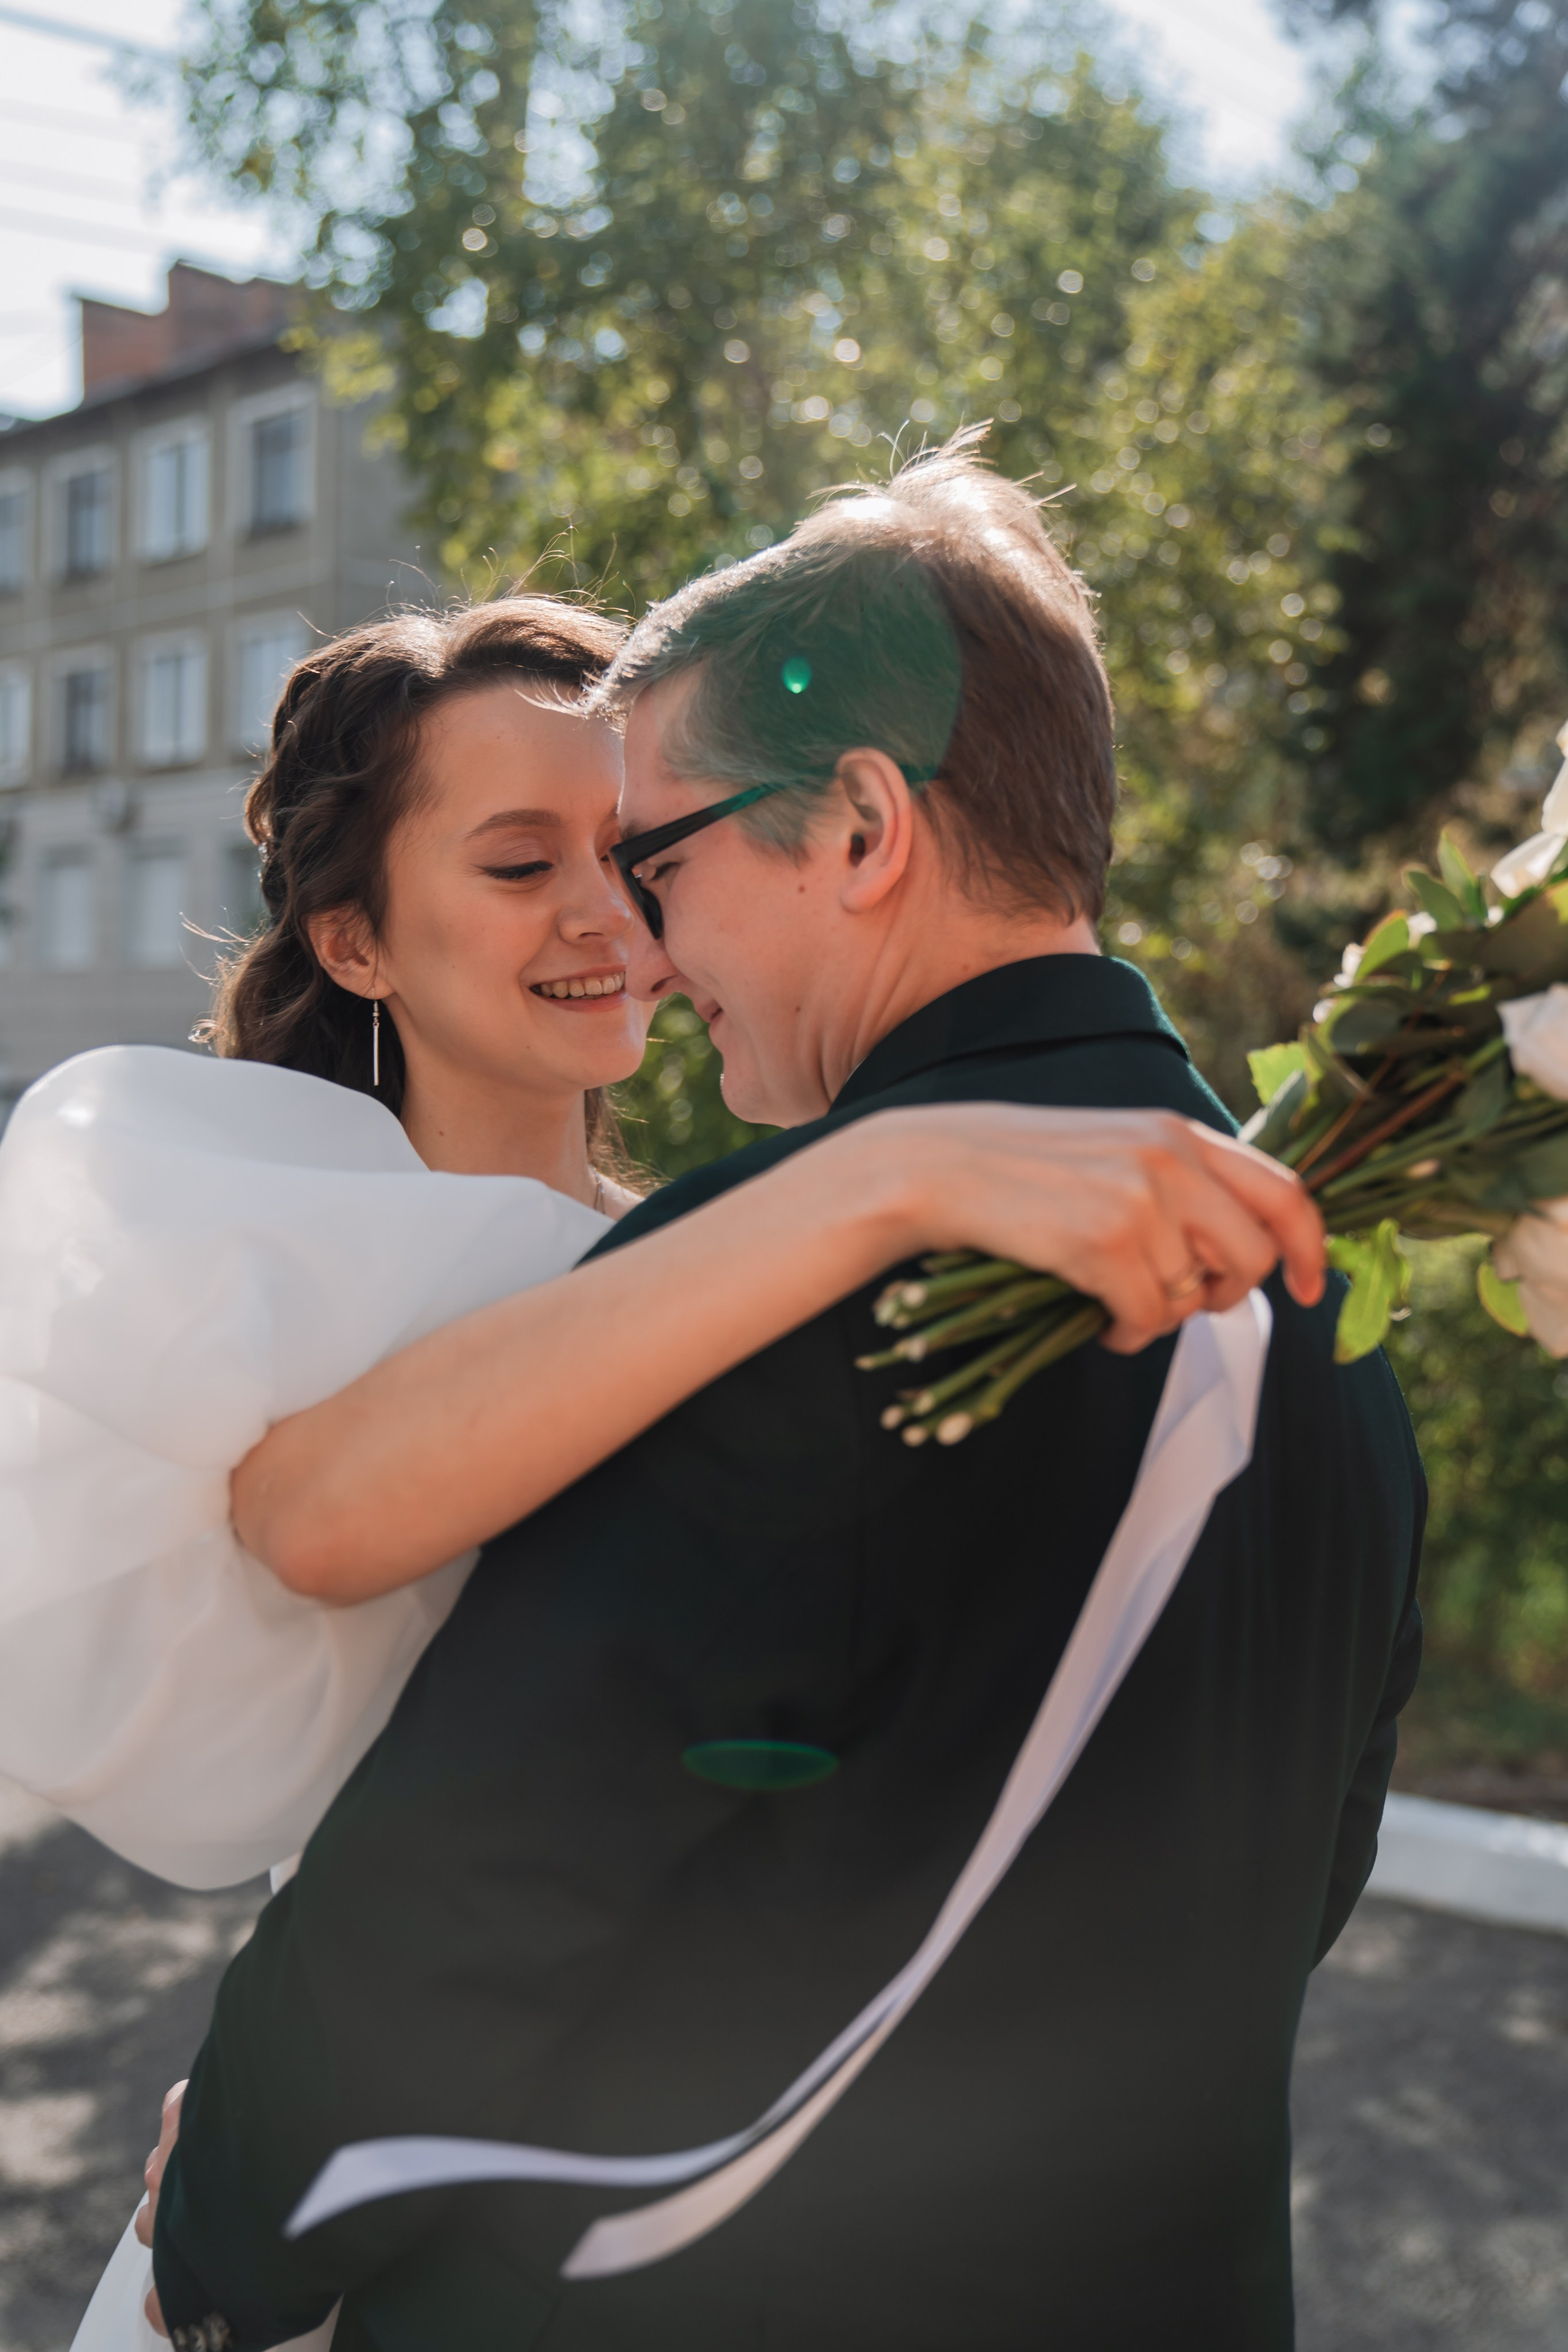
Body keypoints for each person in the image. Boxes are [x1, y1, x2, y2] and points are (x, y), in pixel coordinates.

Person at [147, 439, 1423, 2351]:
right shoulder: (1328, 1275)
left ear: (855, 830)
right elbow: (1298, 1878)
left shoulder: (784, 1283)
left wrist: (224, 2240)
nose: (643, 946)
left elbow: (472, 1899)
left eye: (661, 858)